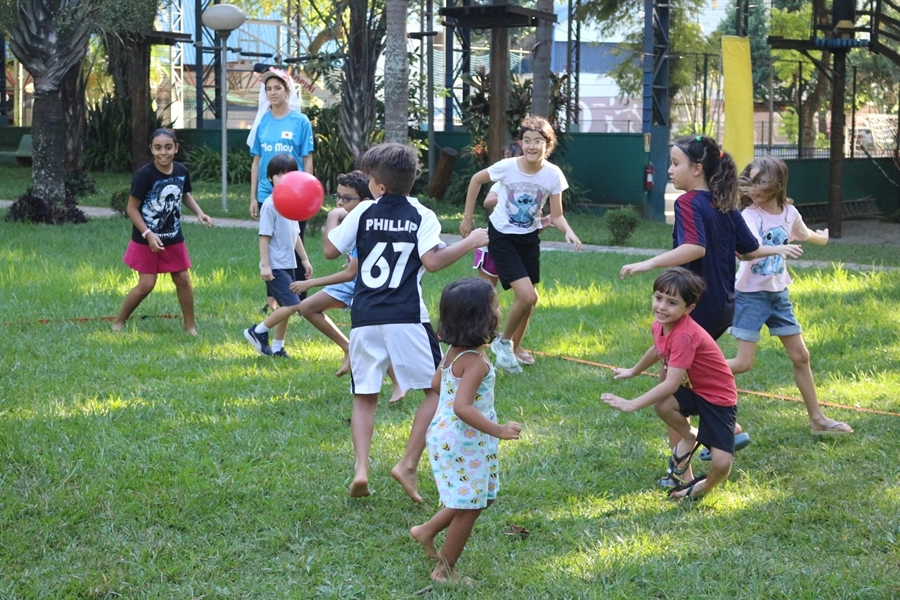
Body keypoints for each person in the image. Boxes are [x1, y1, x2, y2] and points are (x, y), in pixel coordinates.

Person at [618, 135, 804, 480]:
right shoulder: (725, 204)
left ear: (697, 169)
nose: (670, 170)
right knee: (686, 378)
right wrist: (776, 250)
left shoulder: (689, 202)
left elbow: (694, 248)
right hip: (723, 307)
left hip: (694, 307)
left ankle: (683, 471)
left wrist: (647, 264)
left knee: (670, 392)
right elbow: (749, 249)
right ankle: (728, 432)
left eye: (676, 164)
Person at [324, 142, 489, 501]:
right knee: (437, 388)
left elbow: (330, 251)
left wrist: (334, 218)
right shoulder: (422, 214)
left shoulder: (363, 211)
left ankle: (362, 469)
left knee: (364, 396)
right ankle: (407, 463)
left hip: (364, 318)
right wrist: (472, 241)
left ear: (378, 185)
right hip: (406, 317)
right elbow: (432, 261)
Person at [727, 156, 853, 435]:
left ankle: (817, 420)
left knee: (801, 356)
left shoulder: (788, 213)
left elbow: (804, 233)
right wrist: (779, 250)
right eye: (750, 179)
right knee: (744, 363)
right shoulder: (749, 216)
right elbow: (749, 250)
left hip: (778, 294)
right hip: (750, 295)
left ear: (778, 183)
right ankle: (693, 371)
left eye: (761, 180)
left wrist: (824, 237)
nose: (753, 186)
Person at [410, 278, 522, 584]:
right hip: (464, 441)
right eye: (496, 304)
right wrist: (498, 429)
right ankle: (444, 571)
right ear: (481, 318)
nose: (500, 309)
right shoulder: (474, 362)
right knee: (468, 508)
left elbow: (436, 385)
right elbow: (463, 407)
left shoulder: (454, 353)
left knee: (480, 499)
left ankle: (427, 530)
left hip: (452, 437)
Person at [460, 116, 582, 375]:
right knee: (528, 295)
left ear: (547, 145)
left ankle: (512, 350)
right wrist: (467, 218)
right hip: (502, 236)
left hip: (529, 238)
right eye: (526, 141)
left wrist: (568, 231)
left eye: (537, 141)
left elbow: (557, 215)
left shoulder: (553, 174)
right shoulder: (507, 166)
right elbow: (476, 180)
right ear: (521, 143)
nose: (531, 146)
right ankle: (503, 343)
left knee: (527, 301)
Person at [602, 267, 737, 500]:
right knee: (664, 405)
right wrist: (634, 371)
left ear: (689, 309)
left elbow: (671, 384)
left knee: (722, 463)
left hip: (717, 397)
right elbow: (658, 348)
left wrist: (632, 404)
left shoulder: (685, 334)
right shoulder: (660, 324)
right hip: (693, 389)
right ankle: (691, 436)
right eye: (658, 298)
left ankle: (701, 488)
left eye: (672, 302)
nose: (662, 307)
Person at [289, 171, 406, 403]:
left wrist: (332, 216)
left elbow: (337, 259)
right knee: (308, 307)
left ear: (364, 201)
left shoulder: (366, 220)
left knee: (374, 336)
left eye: (347, 199)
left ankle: (399, 384)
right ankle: (348, 348)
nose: (341, 204)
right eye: (338, 198)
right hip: (355, 281)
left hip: (368, 285)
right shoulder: (356, 220)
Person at [113, 128, 213, 334]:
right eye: (157, 148)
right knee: (147, 284)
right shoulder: (144, 175)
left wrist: (199, 213)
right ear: (151, 149)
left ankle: (190, 327)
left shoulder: (181, 171)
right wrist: (148, 234)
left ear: (176, 148)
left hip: (173, 236)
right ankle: (119, 321)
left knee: (183, 279)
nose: (163, 152)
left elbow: (184, 194)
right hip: (146, 238)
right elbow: (131, 208)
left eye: (168, 147)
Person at [247, 68, 315, 311]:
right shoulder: (262, 120)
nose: (273, 93)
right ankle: (272, 302)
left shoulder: (300, 121)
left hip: (295, 196)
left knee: (295, 242)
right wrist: (254, 196)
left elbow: (307, 159)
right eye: (269, 89)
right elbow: (256, 160)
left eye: (278, 88)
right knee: (271, 245)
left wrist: (308, 192)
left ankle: (301, 298)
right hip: (268, 195)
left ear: (288, 91)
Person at [242, 154, 313, 358]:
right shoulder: (271, 204)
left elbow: (295, 234)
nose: (283, 178)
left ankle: (277, 347)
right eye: (278, 174)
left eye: (288, 174)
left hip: (288, 264)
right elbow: (264, 236)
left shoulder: (290, 203)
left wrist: (304, 259)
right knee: (294, 305)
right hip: (275, 266)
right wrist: (266, 265)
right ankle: (257, 331)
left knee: (286, 306)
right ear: (270, 178)